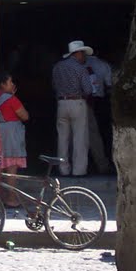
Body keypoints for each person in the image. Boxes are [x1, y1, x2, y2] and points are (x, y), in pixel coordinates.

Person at [52, 40, 95, 176]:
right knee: (80, 138)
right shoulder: (80, 69)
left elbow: (54, 85)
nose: (84, 57)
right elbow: (88, 89)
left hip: (62, 103)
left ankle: (63, 169)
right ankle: (79, 170)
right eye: (83, 54)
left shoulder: (57, 67)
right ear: (78, 54)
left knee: (62, 138)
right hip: (77, 102)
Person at [0, 72, 30, 206]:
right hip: (10, 135)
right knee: (11, 167)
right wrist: (13, 96)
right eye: (10, 82)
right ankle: (11, 199)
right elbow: (25, 116)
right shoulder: (11, 99)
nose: (13, 85)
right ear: (2, 84)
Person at [86, 53, 114, 174]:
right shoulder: (103, 65)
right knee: (100, 133)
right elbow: (109, 85)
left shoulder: (80, 65)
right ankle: (102, 163)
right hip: (99, 101)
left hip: (87, 100)